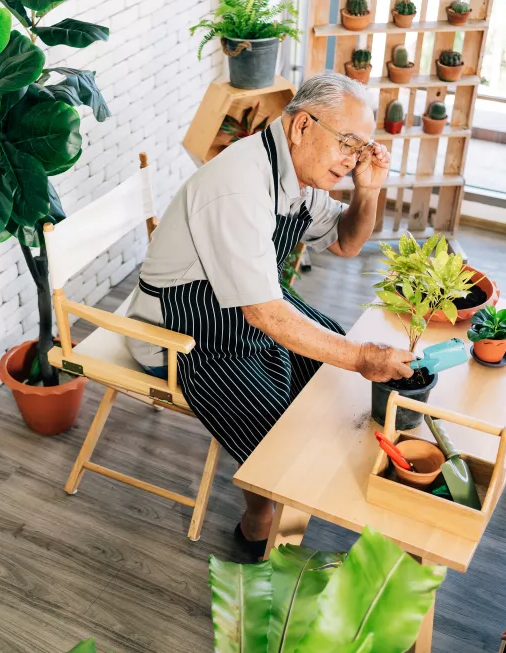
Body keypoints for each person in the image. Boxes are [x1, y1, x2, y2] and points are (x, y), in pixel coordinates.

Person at [124, 72, 416, 558]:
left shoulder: (295, 175)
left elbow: (345, 242)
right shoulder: (239, 185)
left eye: (363, 148)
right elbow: (265, 315)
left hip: (241, 305)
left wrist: (369, 190)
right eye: (349, 143)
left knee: (328, 354)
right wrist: (363, 357)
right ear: (302, 126)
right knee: (274, 415)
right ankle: (260, 516)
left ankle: (309, 481)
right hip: (180, 328)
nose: (354, 158)